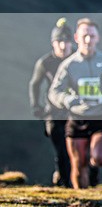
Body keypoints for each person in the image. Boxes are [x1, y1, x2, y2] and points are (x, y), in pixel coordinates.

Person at [49, 18, 102, 189]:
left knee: (99, 158)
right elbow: (54, 91)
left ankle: (93, 168)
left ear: (98, 38)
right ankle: (83, 198)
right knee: (78, 163)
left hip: (100, 117)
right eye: (84, 36)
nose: (88, 40)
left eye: (92, 36)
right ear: (76, 38)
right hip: (77, 118)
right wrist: (69, 101)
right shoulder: (69, 65)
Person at [29, 18, 74, 187]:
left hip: (75, 111)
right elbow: (34, 84)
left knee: (76, 148)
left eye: (66, 42)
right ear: (53, 43)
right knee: (61, 149)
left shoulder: (77, 59)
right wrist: (36, 106)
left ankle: (79, 181)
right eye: (59, 42)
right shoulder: (45, 63)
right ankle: (65, 183)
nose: (63, 46)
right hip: (53, 112)